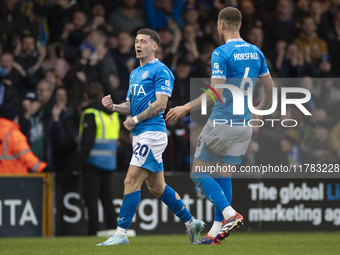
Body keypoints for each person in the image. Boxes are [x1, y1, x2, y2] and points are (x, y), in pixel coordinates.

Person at [166, 7, 274, 244]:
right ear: (240, 24)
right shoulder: (256, 52)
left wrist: (185, 107)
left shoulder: (221, 52)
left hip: (222, 122)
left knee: (198, 172)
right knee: (223, 174)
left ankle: (229, 214)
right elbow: (270, 89)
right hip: (245, 126)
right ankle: (216, 232)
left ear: (221, 25)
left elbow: (215, 93)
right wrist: (259, 112)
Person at [98, 28, 204, 246]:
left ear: (155, 46)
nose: (138, 45)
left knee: (131, 179)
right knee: (157, 187)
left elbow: (161, 105)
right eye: (136, 41)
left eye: (143, 41)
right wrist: (114, 107)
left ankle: (121, 233)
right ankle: (191, 223)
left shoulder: (162, 71)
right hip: (140, 134)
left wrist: (135, 120)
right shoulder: (134, 73)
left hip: (152, 134)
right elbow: (131, 106)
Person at [73, 82, 119, 235]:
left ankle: (93, 230)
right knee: (107, 197)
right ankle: (113, 228)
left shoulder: (90, 113)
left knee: (91, 198)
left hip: (92, 162)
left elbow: (87, 143)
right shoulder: (113, 114)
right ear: (101, 96)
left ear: (86, 96)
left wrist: (76, 165)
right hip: (110, 161)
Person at [0, 104, 47, 174]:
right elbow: (26, 156)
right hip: (14, 179)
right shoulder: (14, 135)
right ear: (14, 118)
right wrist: (42, 168)